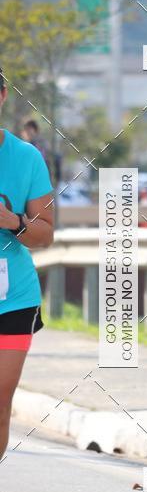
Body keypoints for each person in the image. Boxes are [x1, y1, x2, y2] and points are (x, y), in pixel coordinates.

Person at [0, 69, 54, 462]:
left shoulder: (26, 157)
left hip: (14, 298)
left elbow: (45, 233)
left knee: (1, 398)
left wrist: (13, 221)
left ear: (2, 96)